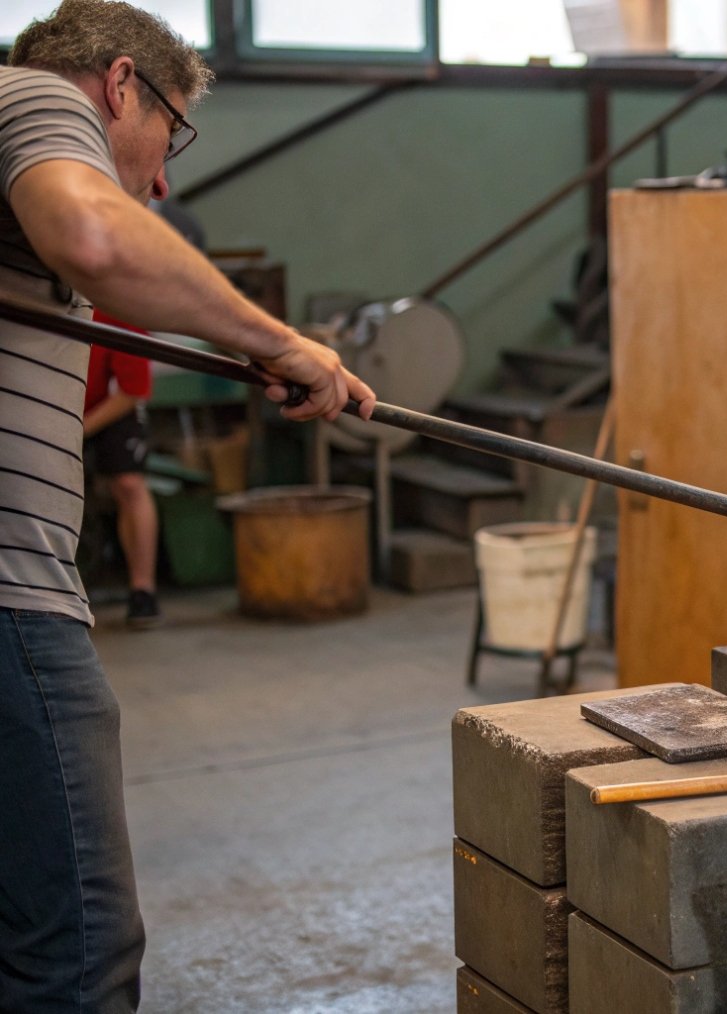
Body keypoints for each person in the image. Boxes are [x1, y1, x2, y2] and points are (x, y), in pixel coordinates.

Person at [0, 3, 376, 1011]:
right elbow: (94, 232)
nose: (164, 179)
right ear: (121, 85)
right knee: (76, 955)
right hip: (9, 605)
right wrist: (277, 341)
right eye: (173, 133)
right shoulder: (31, 96)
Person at [84, 316, 160, 628]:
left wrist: (78, 430)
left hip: (109, 406)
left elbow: (132, 390)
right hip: (49, 404)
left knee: (129, 484)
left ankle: (143, 590)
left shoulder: (117, 311)